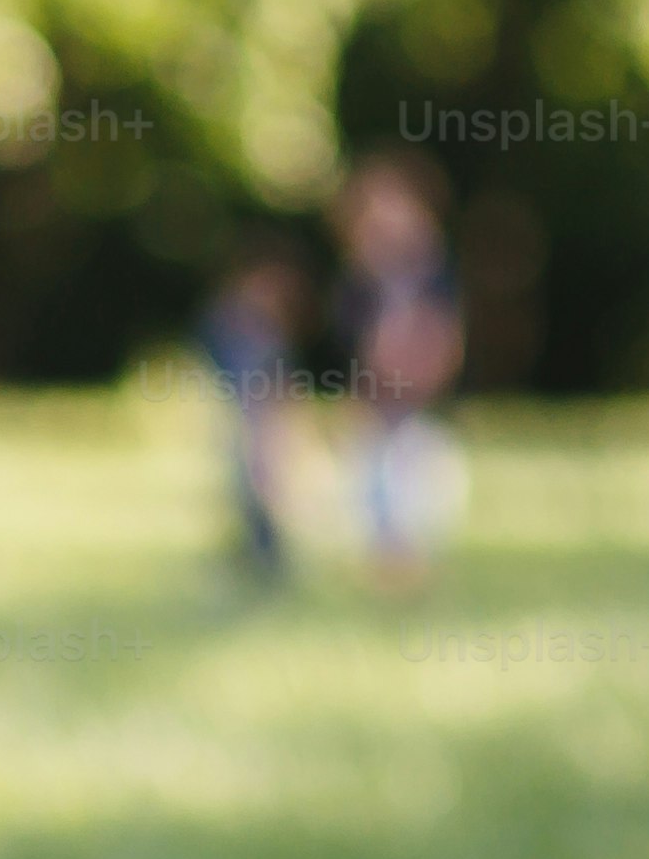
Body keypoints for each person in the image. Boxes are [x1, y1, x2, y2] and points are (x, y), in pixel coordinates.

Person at [330, 148, 466, 585]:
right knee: (374, 494)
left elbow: (444, 343)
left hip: (420, 406)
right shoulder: (360, 283)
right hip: (376, 405)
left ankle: (407, 570)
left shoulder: (433, 277)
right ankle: (389, 570)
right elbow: (360, 349)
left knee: (413, 491)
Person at [195, 236, 311, 581]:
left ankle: (265, 564)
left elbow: (280, 388)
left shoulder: (269, 335)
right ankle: (252, 562)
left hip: (262, 426)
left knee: (264, 497)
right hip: (239, 425)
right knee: (246, 496)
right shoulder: (228, 325)